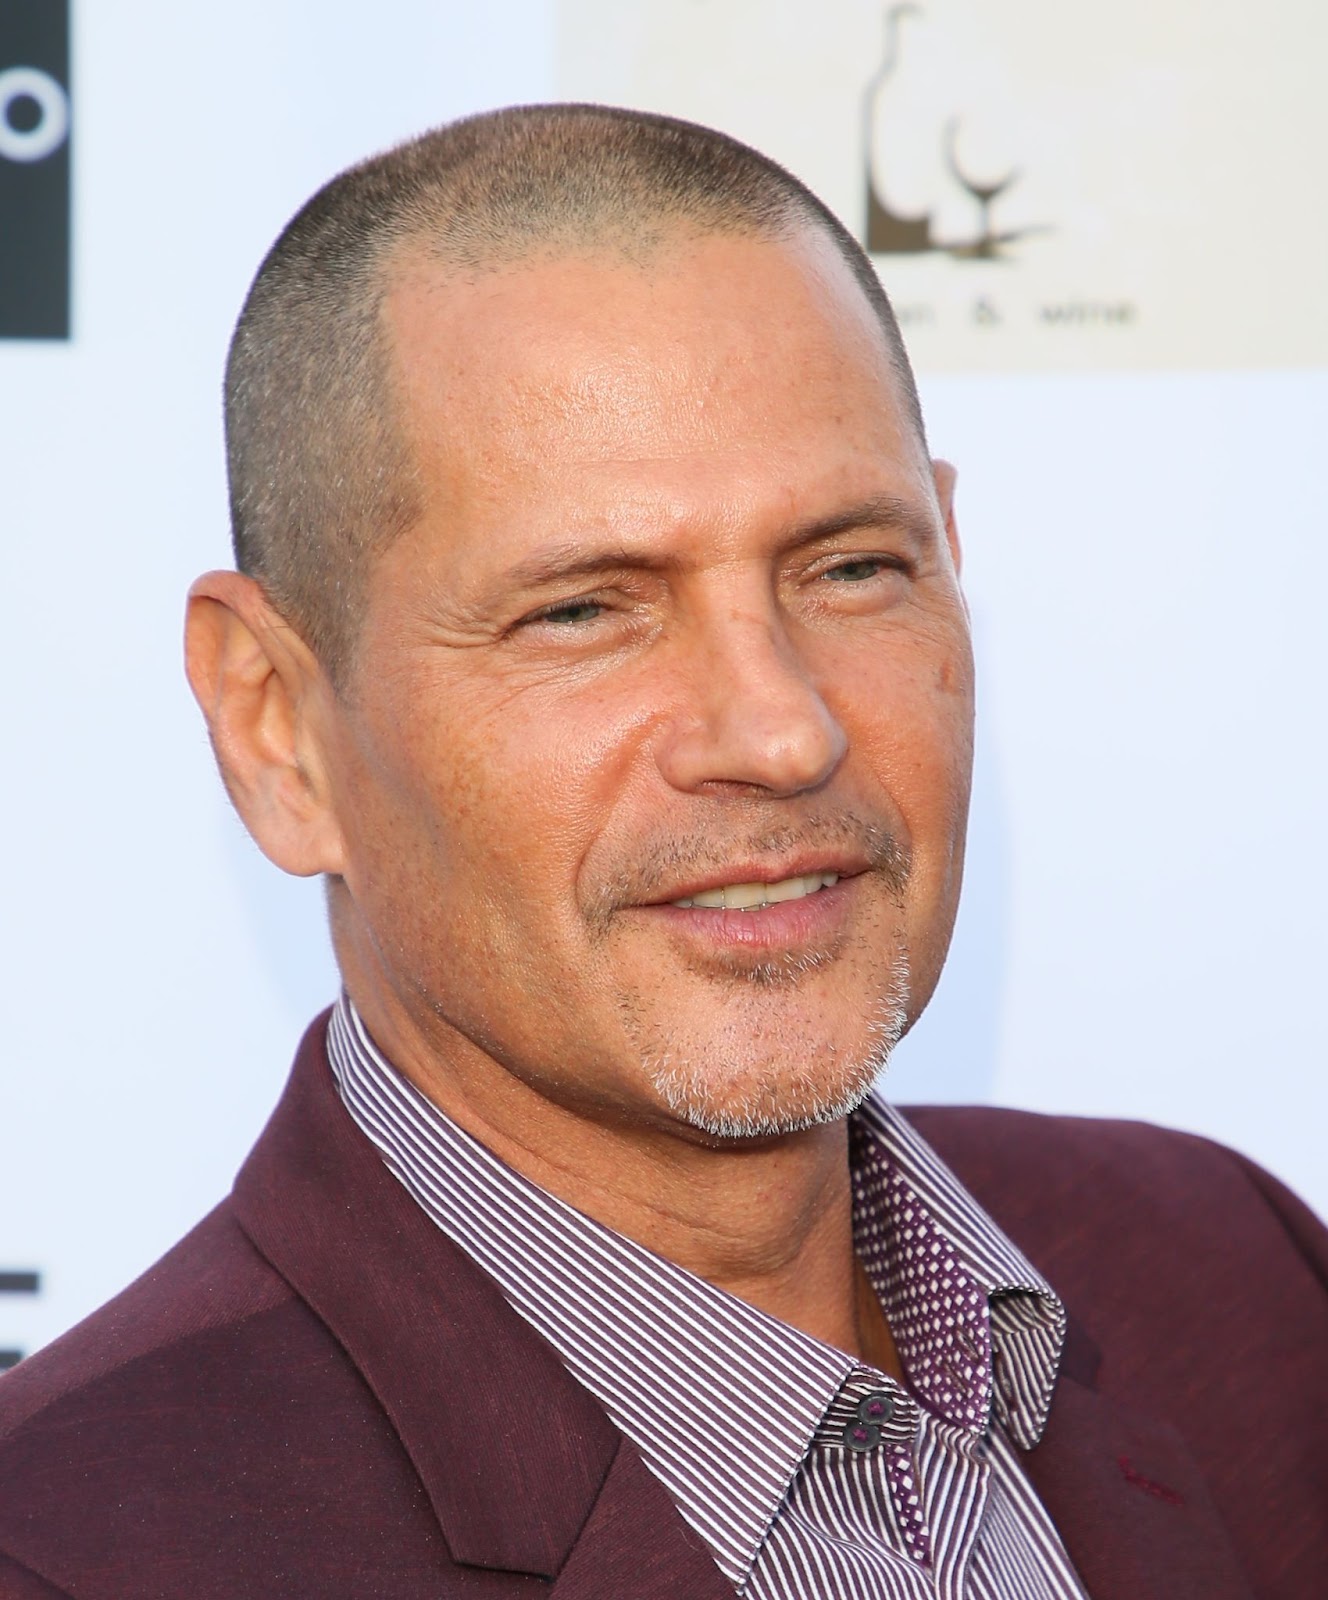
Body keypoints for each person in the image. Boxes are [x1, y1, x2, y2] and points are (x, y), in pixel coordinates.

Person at [0, 104, 1324, 1600]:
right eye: (585, 609)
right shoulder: (75, 1552)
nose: (779, 731)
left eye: (852, 569)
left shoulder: (1237, 1277)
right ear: (276, 729)